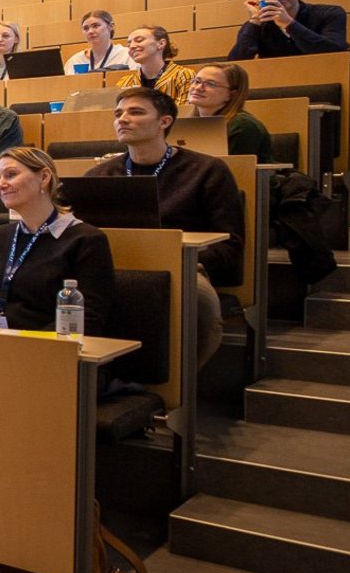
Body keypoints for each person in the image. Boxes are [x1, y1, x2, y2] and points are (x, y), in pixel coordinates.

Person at [84, 88, 244, 369]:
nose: (123, 119)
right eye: (118, 113)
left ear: (165, 122)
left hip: (185, 266)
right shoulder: (100, 174)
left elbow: (230, 246)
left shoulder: (207, 171)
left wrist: (180, 256)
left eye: (136, 112)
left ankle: (180, 385)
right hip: (112, 264)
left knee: (200, 304)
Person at [0, 147, 114, 333]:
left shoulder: (87, 240)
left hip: (48, 350)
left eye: (10, 175)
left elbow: (88, 318)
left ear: (44, 178)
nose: (1, 185)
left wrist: (24, 344)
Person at [227, 0, 349, 59]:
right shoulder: (257, 25)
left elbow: (334, 52)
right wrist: (254, 21)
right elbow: (236, 64)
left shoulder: (330, 13)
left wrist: (288, 23)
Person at [184, 64, 273, 164]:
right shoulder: (187, 125)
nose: (198, 87)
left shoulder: (243, 126)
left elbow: (238, 171)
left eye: (210, 84)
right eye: (196, 81)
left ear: (231, 94)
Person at [119, 25, 194, 102]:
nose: (131, 46)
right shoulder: (125, 83)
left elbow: (186, 111)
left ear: (161, 44)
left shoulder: (183, 75)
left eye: (139, 40)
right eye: (128, 44)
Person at [65, 10, 133, 73]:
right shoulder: (75, 61)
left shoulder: (127, 55)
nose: (90, 31)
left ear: (111, 26)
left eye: (96, 26)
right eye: (86, 28)